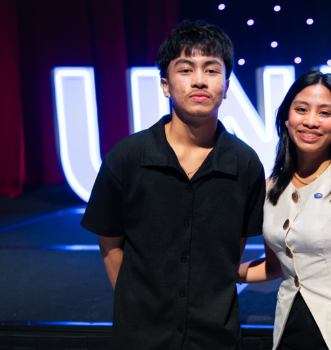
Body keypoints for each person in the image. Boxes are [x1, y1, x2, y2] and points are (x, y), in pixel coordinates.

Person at [80, 20, 265, 349]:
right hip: (141, 338)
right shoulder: (126, 157)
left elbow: (230, 253)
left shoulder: (245, 163)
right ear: (165, 84)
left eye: (211, 70)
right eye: (185, 69)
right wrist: (134, 306)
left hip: (215, 338)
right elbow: (109, 244)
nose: (199, 81)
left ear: (227, 83)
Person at [238, 71, 331, 350]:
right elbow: (274, 267)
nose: (310, 121)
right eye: (301, 109)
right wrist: (221, 272)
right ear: (287, 117)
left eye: (325, 112)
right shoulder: (270, 188)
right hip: (288, 329)